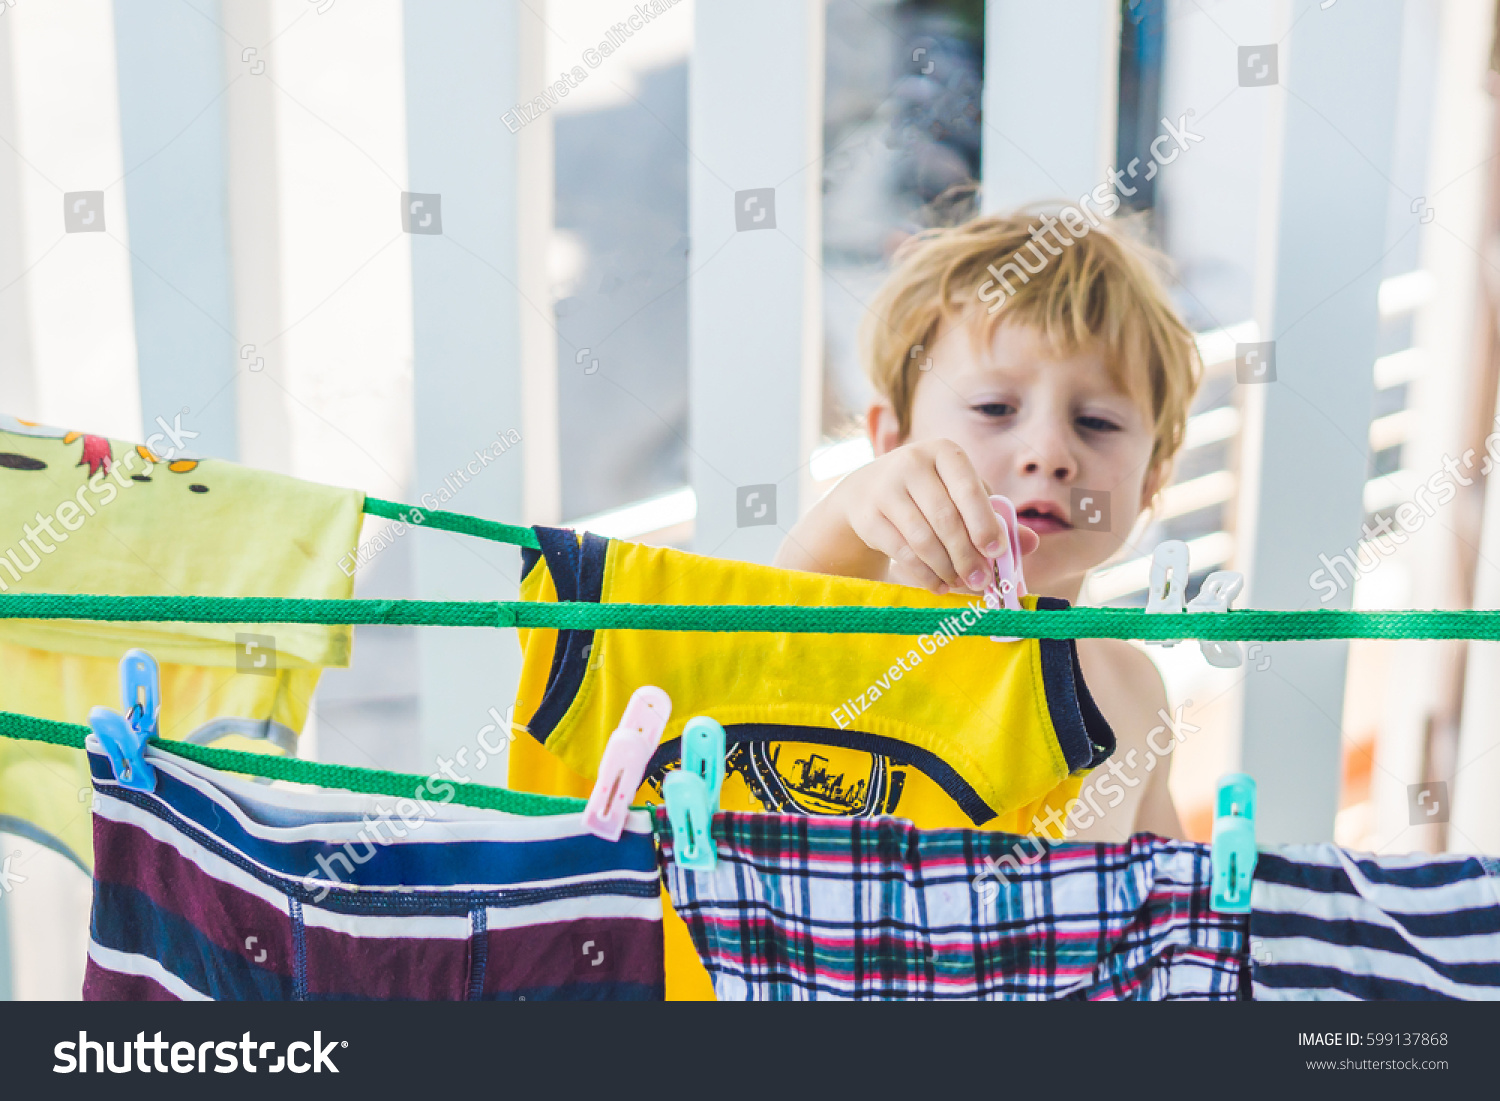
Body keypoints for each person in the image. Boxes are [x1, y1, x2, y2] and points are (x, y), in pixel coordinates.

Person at [775, 209, 1201, 839]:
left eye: (1098, 423)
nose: (1049, 453)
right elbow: (776, 636)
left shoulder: (1137, 691)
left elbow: (1166, 913)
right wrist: (848, 511)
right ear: (893, 443)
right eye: (994, 408)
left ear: (1151, 484)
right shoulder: (861, 638)